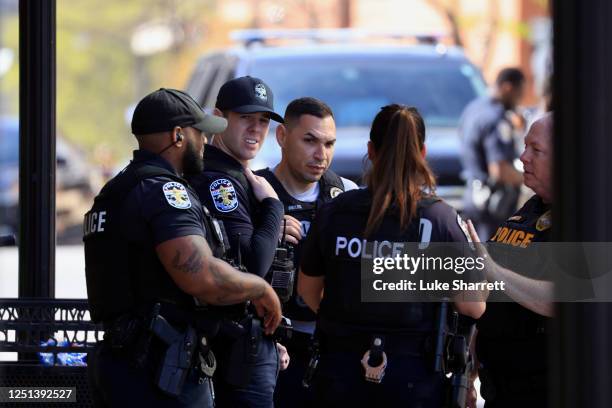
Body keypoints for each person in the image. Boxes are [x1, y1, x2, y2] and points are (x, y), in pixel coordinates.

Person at [84, 88, 282, 407]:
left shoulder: (116, 189)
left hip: (126, 361)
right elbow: (202, 277)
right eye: (198, 133)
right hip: (156, 370)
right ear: (178, 136)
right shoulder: (163, 192)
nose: (204, 142)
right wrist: (259, 288)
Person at [298, 104, 486, 407]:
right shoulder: (440, 219)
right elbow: (473, 306)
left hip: (340, 374)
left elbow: (308, 291)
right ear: (422, 153)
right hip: (414, 381)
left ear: (371, 150)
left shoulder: (335, 211)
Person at [186, 76, 286, 407]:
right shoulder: (219, 181)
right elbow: (253, 266)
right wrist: (274, 209)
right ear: (219, 118)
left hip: (246, 337)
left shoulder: (240, 176)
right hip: (235, 340)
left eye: (263, 121)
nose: (256, 130)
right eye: (245, 119)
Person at [254, 97, 358, 407]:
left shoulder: (348, 196)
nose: (321, 154)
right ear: (282, 137)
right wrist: (268, 229)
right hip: (270, 345)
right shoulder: (255, 192)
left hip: (333, 346)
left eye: (329, 144)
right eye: (310, 140)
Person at [467, 114, 554, 408]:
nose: (523, 156)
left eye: (536, 150)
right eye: (525, 146)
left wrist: (493, 270)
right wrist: (470, 372)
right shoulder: (531, 207)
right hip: (499, 389)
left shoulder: (590, 215)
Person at [460, 67, 526, 241]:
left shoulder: (473, 108)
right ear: (508, 88)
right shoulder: (495, 118)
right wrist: (529, 178)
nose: (520, 99)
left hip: (473, 197)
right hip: (491, 206)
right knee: (490, 263)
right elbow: (500, 170)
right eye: (519, 93)